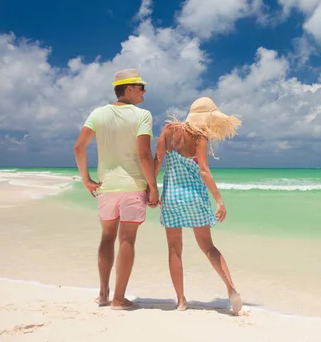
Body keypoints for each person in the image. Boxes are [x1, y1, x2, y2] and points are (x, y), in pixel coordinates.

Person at [74, 68, 159, 311]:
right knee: (127, 240)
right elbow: (144, 154)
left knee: (107, 237)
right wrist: (152, 187)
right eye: (141, 87)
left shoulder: (98, 114)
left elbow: (79, 148)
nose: (144, 92)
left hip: (107, 187)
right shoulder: (142, 115)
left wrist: (86, 180)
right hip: (133, 186)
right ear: (129, 88)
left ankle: (103, 294)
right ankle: (119, 300)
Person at [153, 97, 243, 314]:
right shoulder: (200, 136)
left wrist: (150, 190)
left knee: (175, 250)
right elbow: (203, 170)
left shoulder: (168, 131)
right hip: (195, 198)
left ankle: (181, 301)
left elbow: (156, 161)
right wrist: (219, 200)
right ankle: (231, 290)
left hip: (172, 198)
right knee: (209, 248)